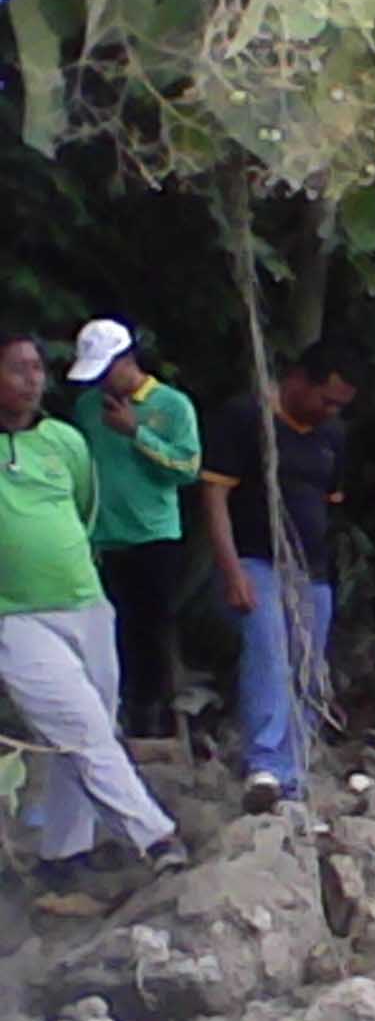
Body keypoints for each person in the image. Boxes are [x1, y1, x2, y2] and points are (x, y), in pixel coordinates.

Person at [0, 331, 186, 879]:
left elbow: (85, 508)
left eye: (36, 368)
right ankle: (155, 838)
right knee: (81, 728)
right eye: (17, 369)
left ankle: (63, 853)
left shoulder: (64, 441)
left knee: (80, 733)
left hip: (86, 603)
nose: (32, 379)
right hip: (13, 616)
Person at [199, 342, 357, 815]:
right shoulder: (246, 418)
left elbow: (331, 502)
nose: (329, 411)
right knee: (268, 650)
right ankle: (264, 762)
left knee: (308, 664)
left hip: (313, 568)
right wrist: (230, 570)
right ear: (298, 380)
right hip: (255, 558)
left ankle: (293, 769)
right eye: (325, 399)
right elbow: (214, 498)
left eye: (339, 406)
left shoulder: (333, 436)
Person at [67, 319, 201, 739]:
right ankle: (108, 709)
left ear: (128, 361)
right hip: (101, 534)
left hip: (153, 535)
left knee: (149, 627)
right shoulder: (88, 408)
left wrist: (137, 434)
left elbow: (187, 468)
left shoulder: (173, 406)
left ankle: (148, 713)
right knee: (105, 627)